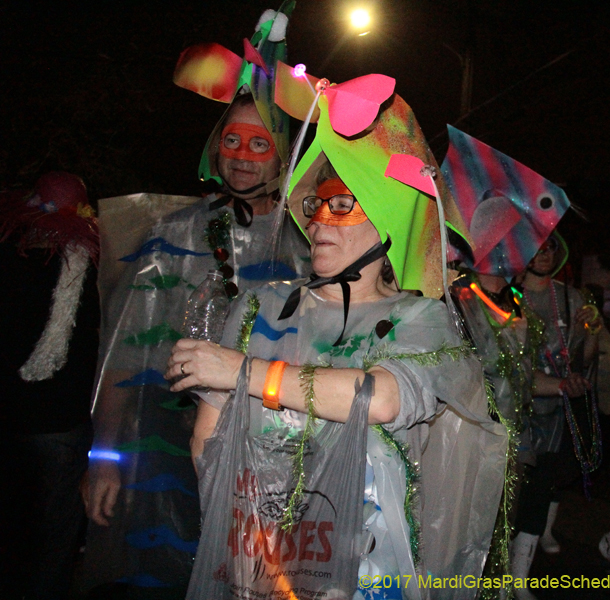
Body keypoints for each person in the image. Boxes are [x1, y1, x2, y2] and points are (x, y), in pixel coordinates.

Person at [175, 83, 505, 599]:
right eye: (315, 204)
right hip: (256, 557)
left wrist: (243, 371)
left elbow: (381, 397)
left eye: (343, 204)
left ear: (386, 220)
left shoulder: (417, 318)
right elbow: (208, 442)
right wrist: (241, 546)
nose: (318, 218)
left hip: (367, 570)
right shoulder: (262, 307)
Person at [81, 8, 309, 596]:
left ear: (283, 155)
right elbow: (124, 359)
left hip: (272, 446)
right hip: (168, 449)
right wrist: (105, 458)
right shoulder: (177, 234)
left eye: (260, 143)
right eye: (230, 139)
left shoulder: (311, 246)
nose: (241, 154)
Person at [440, 124, 573, 591]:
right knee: (457, 545)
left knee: (498, 546)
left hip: (514, 448)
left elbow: (521, 378)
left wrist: (560, 386)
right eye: (497, 236)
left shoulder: (518, 307)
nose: (509, 248)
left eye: (517, 238)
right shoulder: (455, 299)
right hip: (465, 446)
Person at [0, 172, 100, 600]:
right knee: (52, 536)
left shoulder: (7, 252)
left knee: (17, 528)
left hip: (18, 417)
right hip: (58, 420)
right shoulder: (88, 259)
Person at [511, 233, 605, 600]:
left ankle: (519, 578)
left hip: (554, 412)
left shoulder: (570, 297)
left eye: (550, 246)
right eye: (535, 246)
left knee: (540, 491)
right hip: (511, 409)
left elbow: (584, 358)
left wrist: (593, 329)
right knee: (508, 496)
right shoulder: (506, 294)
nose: (544, 254)